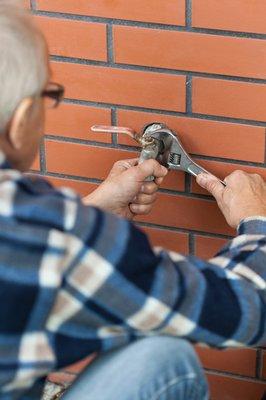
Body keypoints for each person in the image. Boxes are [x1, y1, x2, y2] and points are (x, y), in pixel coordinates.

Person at [0, 2, 265, 400]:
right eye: (48, 95)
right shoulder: (44, 230)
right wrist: (256, 220)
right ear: (20, 122)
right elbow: (245, 311)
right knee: (164, 356)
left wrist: (92, 211)